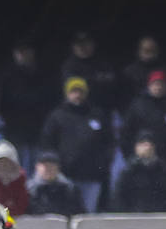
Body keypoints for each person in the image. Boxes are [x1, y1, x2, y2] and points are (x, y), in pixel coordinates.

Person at [40, 77, 113, 212]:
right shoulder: (57, 116)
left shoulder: (96, 115)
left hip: (92, 175)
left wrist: (103, 164)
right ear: (67, 93)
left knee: (87, 215)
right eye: (73, 91)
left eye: (80, 91)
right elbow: (48, 144)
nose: (77, 95)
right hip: (65, 177)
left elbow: (108, 142)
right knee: (66, 213)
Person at [0, 42, 53, 164]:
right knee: (16, 165)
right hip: (15, 129)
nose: (22, 55)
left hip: (38, 129)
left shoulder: (42, 72)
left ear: (32, 52)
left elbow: (48, 99)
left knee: (37, 165)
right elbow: (2, 103)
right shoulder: (8, 75)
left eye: (25, 51)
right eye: (19, 52)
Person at [121, 70, 166, 161]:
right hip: (142, 155)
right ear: (149, 86)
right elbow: (126, 132)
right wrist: (130, 154)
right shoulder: (138, 105)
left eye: (161, 84)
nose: (158, 87)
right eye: (155, 84)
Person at [113, 132, 166, 212]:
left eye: (150, 144)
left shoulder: (163, 171)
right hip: (134, 218)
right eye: (143, 144)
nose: (147, 147)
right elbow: (119, 197)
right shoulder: (128, 172)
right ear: (136, 148)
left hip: (159, 217)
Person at [25, 151, 83, 216]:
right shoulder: (29, 190)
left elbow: (79, 213)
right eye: (45, 166)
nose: (49, 169)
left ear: (58, 168)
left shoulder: (69, 189)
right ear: (37, 167)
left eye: (52, 166)